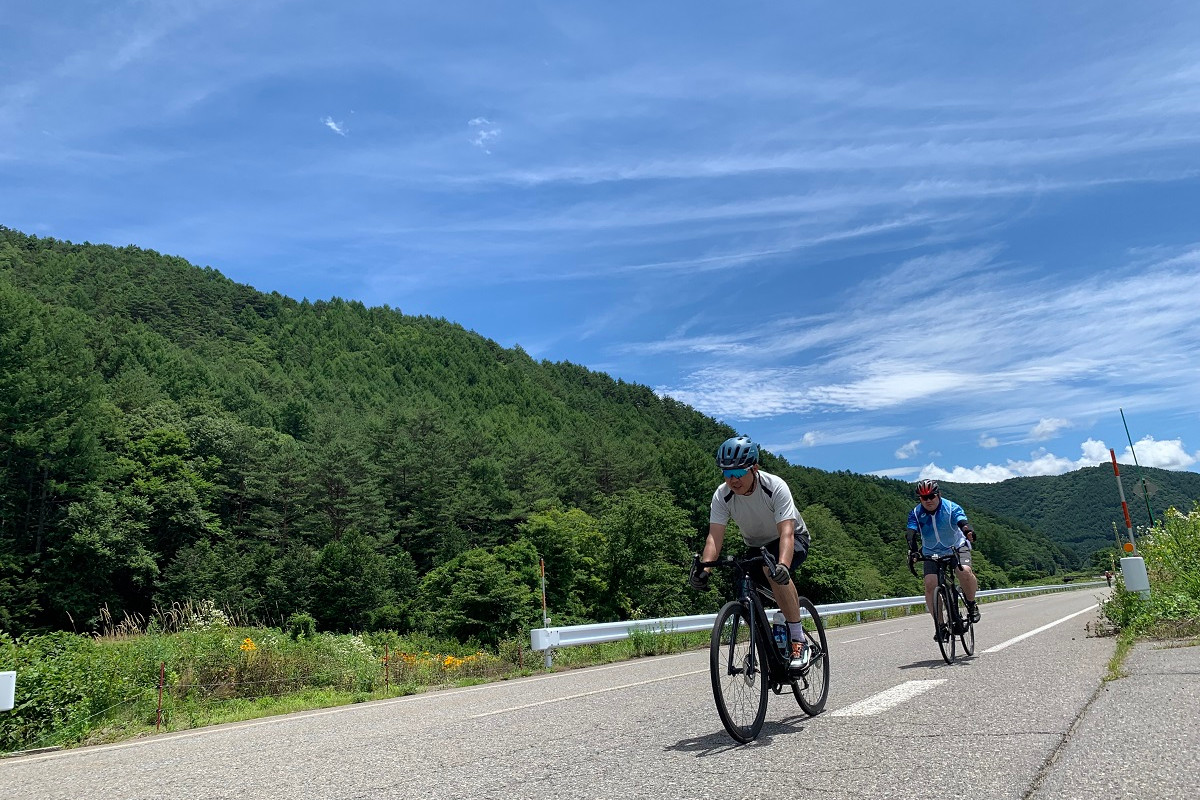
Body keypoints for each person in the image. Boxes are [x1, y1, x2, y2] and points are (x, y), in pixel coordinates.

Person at [689, 435, 813, 668]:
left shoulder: (775, 486)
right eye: (727, 474)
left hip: (793, 538)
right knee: (741, 581)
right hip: (757, 546)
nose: (732, 480)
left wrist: (783, 566)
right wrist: (705, 569)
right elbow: (714, 538)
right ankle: (770, 641)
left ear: (754, 468)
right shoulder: (722, 495)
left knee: (772, 568)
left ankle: (797, 639)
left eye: (738, 473)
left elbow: (786, 533)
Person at [906, 478, 980, 641]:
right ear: (920, 499)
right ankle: (940, 626)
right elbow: (911, 534)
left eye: (931, 496)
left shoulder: (951, 508)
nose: (928, 501)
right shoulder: (916, 513)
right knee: (930, 584)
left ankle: (971, 603)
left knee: (965, 571)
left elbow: (963, 523)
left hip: (956, 546)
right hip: (931, 551)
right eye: (924, 498)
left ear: (938, 494)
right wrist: (912, 552)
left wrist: (968, 532)